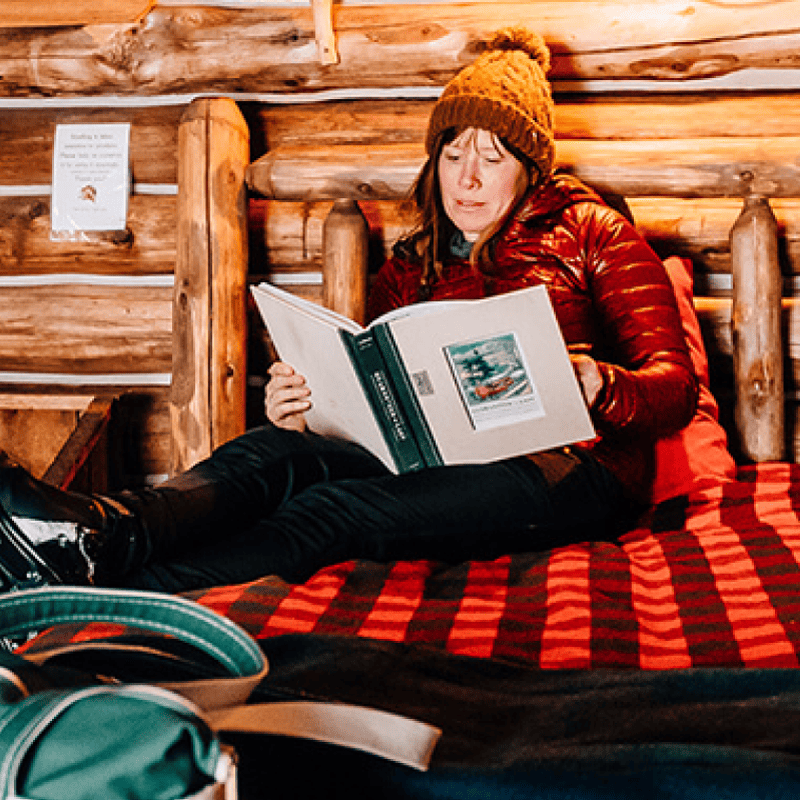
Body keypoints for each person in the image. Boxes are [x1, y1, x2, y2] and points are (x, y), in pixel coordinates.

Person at [0, 28, 697, 595]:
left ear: (531, 168)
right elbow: (380, 400)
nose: (469, 178)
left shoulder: (592, 231)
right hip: (432, 463)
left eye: (492, 157)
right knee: (270, 454)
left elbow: (675, 388)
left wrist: (601, 384)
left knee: (333, 512)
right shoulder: (411, 262)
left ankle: (118, 591)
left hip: (570, 471)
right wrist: (306, 405)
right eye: (453, 154)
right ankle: (103, 531)